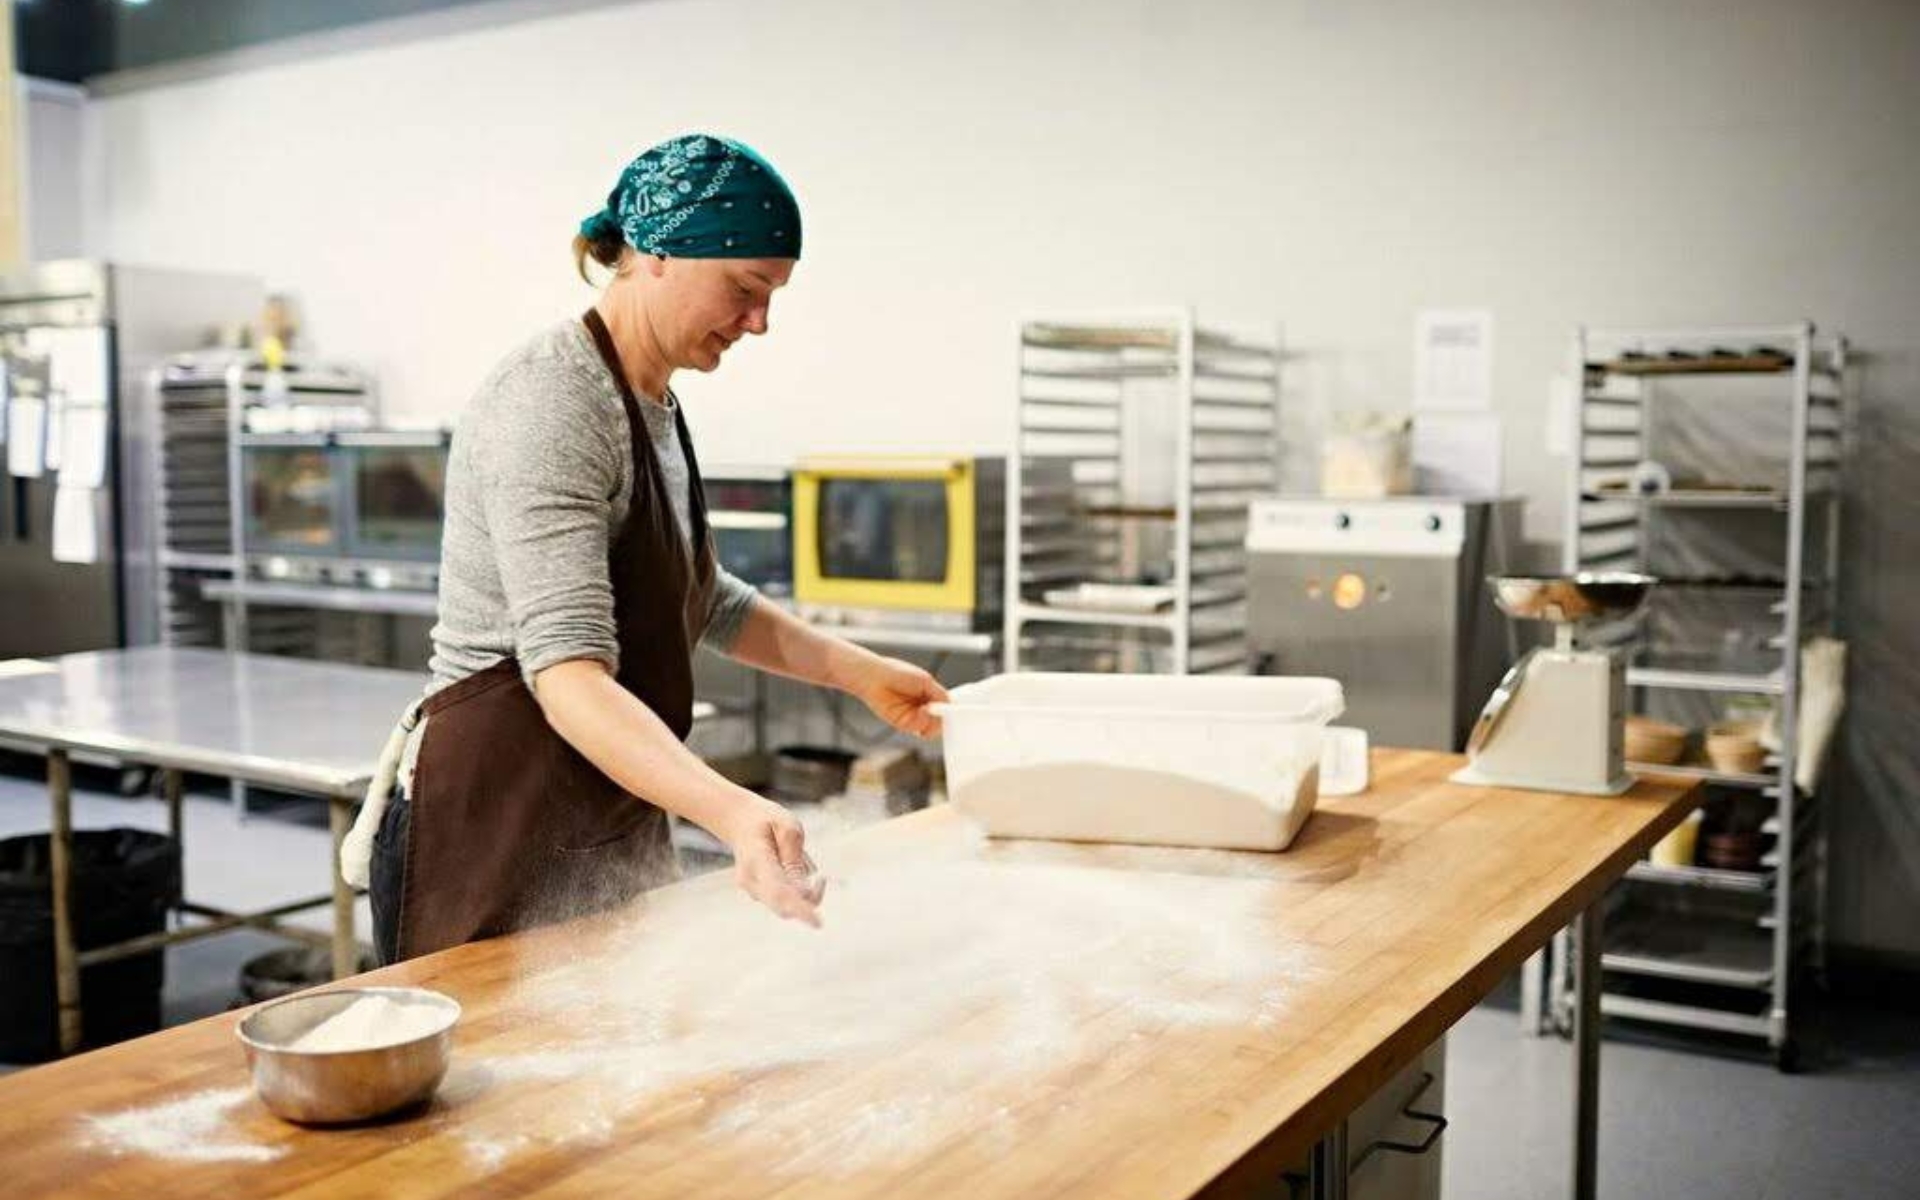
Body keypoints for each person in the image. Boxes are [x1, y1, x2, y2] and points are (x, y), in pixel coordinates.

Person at [340, 134, 948, 963]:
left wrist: (859, 672)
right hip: (494, 821)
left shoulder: (653, 401)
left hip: (604, 804)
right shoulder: (554, 401)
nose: (760, 322)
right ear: (657, 253)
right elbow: (566, 676)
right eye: (745, 288)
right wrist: (731, 810)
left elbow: (704, 597)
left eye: (772, 295)